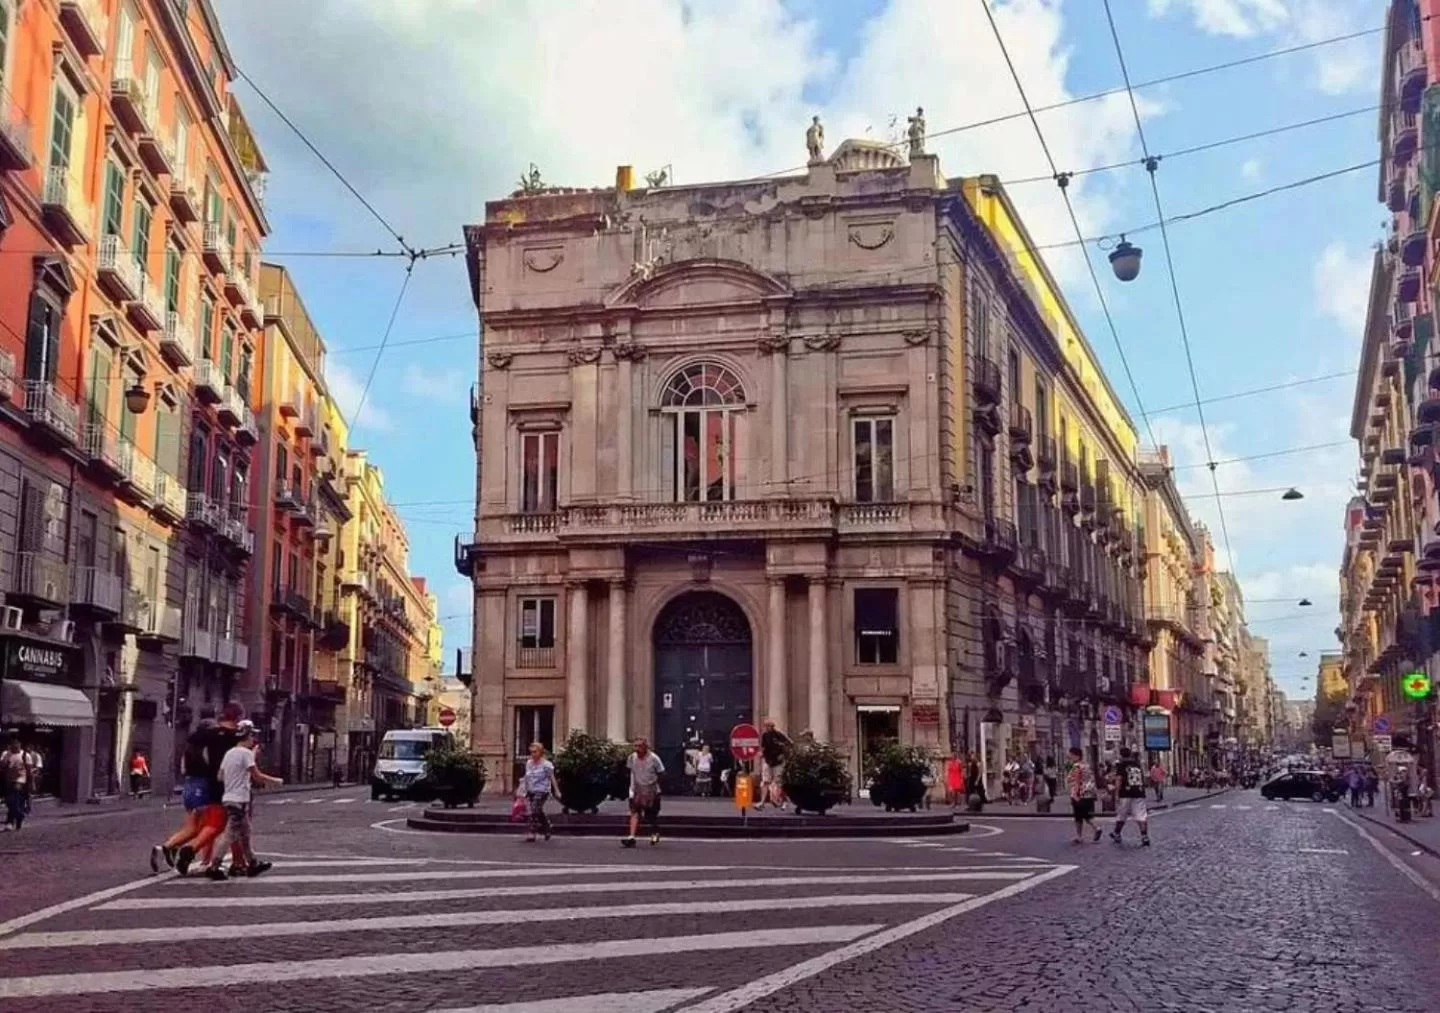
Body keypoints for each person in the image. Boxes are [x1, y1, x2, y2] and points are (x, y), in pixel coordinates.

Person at [158, 702, 245, 876]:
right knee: (220, 824)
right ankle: (191, 850)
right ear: (238, 717)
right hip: (231, 786)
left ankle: (237, 861)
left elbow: (193, 745)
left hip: (211, 784)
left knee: (226, 824)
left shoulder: (209, 734)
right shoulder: (237, 736)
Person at [209, 722, 281, 880]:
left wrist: (237, 775)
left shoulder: (230, 753)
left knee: (245, 833)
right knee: (229, 834)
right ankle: (214, 866)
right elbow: (257, 775)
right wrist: (276, 781)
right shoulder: (246, 753)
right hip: (239, 799)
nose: (254, 739)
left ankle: (253, 864)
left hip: (229, 798)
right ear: (247, 736)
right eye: (252, 735)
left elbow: (220, 776)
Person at [622, 736, 665, 848]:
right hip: (637, 790)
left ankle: (655, 835)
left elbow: (661, 773)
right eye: (635, 746)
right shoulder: (631, 758)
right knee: (634, 812)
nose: (637, 748)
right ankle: (631, 837)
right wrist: (633, 789)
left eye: (640, 746)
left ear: (646, 747)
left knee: (651, 817)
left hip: (652, 791)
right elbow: (630, 772)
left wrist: (655, 788)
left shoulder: (654, 758)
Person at [1110, 746, 1151, 847]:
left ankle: (1117, 833)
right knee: (1141, 815)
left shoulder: (1121, 765)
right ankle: (1144, 836)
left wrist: (1116, 794)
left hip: (1126, 792)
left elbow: (1119, 779)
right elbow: (1144, 779)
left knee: (1122, 814)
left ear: (1121, 755)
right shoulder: (1137, 765)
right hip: (1139, 791)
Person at [520, 741, 558, 843]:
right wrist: (523, 790)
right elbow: (527, 777)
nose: (533, 754)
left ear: (540, 752)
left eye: (535, 752)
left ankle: (532, 832)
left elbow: (552, 778)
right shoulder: (529, 763)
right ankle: (547, 826)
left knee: (534, 810)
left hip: (542, 791)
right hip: (531, 790)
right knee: (537, 811)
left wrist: (557, 791)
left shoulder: (546, 765)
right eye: (531, 752)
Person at [1066, 747, 1100, 844]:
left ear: (1076, 755)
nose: (1069, 757)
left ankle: (1095, 828)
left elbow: (1076, 781)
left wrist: (1075, 795)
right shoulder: (1086, 765)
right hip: (1089, 793)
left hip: (1080, 793)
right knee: (1084, 814)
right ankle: (1079, 836)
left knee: (1080, 815)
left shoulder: (1076, 767)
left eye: (1071, 755)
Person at [758, 719, 791, 809]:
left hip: (778, 762)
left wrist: (783, 755)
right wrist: (761, 753)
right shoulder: (764, 735)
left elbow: (789, 743)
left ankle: (784, 801)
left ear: (773, 727)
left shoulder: (778, 735)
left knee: (779, 782)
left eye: (769, 726)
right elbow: (763, 746)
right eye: (766, 726)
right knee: (765, 782)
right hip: (768, 761)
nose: (767, 728)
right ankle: (762, 802)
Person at [2, 739, 28, 831]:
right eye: (13, 745)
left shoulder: (25, 755)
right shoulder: (7, 754)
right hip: (9, 780)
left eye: (17, 745)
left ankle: (14, 819)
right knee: (9, 802)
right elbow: (2, 765)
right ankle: (19, 816)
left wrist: (31, 782)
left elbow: (28, 768)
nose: (15, 746)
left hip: (20, 779)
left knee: (15, 799)